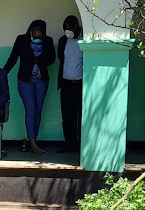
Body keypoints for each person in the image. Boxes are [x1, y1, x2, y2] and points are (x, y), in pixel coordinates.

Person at [4, 19, 55, 155]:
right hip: (25, 81)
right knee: (31, 111)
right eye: (35, 35)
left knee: (38, 111)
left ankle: (33, 140)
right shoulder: (22, 40)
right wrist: (2, 74)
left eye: (40, 36)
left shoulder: (48, 41)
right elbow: (13, 58)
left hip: (41, 80)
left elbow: (52, 59)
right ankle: (32, 142)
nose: (37, 37)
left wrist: (40, 59)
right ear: (30, 31)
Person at [57, 15, 83, 153]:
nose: (67, 33)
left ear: (77, 28)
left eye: (70, 30)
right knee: (67, 117)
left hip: (81, 84)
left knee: (82, 115)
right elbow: (61, 59)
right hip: (66, 84)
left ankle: (82, 145)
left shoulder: (85, 39)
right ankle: (70, 145)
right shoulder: (63, 41)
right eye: (65, 30)